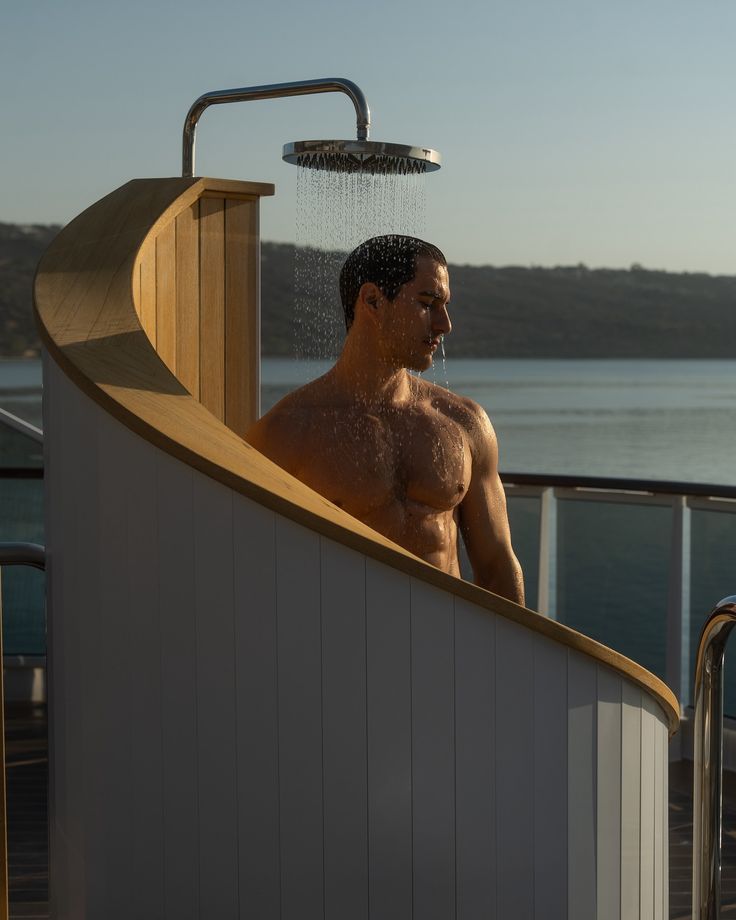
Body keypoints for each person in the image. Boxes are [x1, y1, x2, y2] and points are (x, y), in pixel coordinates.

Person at [246, 235, 525, 604]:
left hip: (448, 643)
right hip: (343, 646)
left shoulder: (463, 422)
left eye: (444, 306)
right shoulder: (289, 431)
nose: (445, 324)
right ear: (373, 301)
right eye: (428, 304)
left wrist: (510, 657)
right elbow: (252, 568)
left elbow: (496, 564)